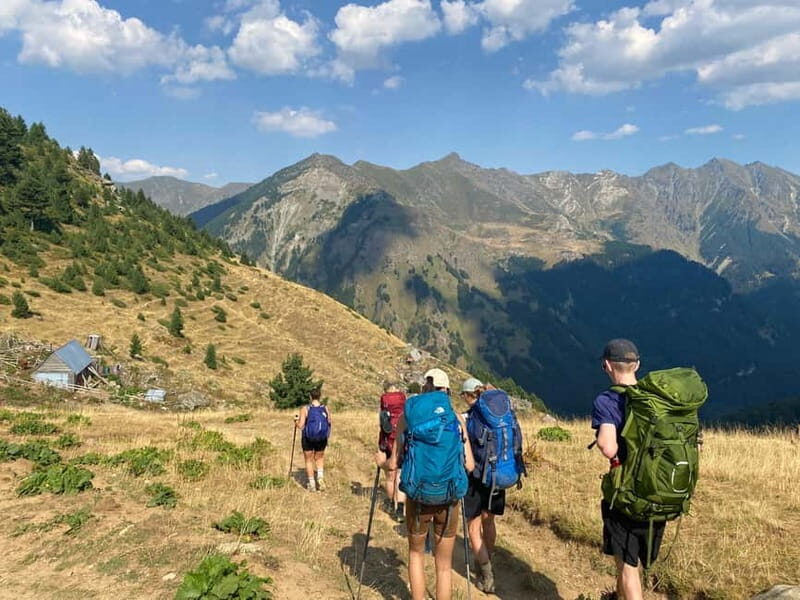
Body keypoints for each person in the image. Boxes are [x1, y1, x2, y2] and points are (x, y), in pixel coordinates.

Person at [390, 368, 475, 600]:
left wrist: (384, 460)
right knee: (444, 564)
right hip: (449, 497)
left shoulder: (409, 415)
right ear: (446, 390)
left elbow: (394, 462)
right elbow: (469, 466)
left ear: (426, 387)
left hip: (418, 495)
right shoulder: (456, 418)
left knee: (416, 554)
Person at [592, 339, 665, 600]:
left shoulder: (607, 400)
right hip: (658, 493)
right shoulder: (658, 399)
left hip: (626, 495)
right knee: (632, 564)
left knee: (627, 566)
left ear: (607, 365)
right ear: (637, 365)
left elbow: (607, 446)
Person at [460, 377, 498, 593]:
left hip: (476, 478)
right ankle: (487, 558)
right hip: (498, 476)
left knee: (473, 526)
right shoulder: (497, 413)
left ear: (467, 395)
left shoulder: (469, 417)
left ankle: (486, 573)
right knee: (489, 521)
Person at [375, 381, 407, 521]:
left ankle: (389, 505)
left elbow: (382, 422)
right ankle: (400, 509)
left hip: (388, 439)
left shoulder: (384, 399)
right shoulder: (403, 398)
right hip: (401, 439)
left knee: (390, 475)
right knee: (400, 475)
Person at [295, 387, 331, 492]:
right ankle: (320, 478)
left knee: (308, 460)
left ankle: (312, 484)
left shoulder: (305, 409)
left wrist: (295, 422)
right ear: (320, 396)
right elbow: (329, 421)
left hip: (308, 438)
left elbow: (301, 425)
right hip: (321, 438)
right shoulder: (325, 408)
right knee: (319, 458)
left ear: (310, 397)